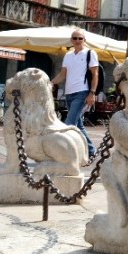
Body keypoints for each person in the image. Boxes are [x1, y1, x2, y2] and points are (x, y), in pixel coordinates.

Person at [51, 29, 99, 159]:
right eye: (75, 38)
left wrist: (92, 93)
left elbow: (95, 75)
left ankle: (62, 154)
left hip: (82, 92)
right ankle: (91, 150)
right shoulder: (68, 55)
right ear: (71, 40)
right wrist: (50, 83)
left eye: (80, 38)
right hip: (69, 93)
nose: (77, 40)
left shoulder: (90, 53)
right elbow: (63, 75)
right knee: (78, 124)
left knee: (69, 123)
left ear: (84, 40)